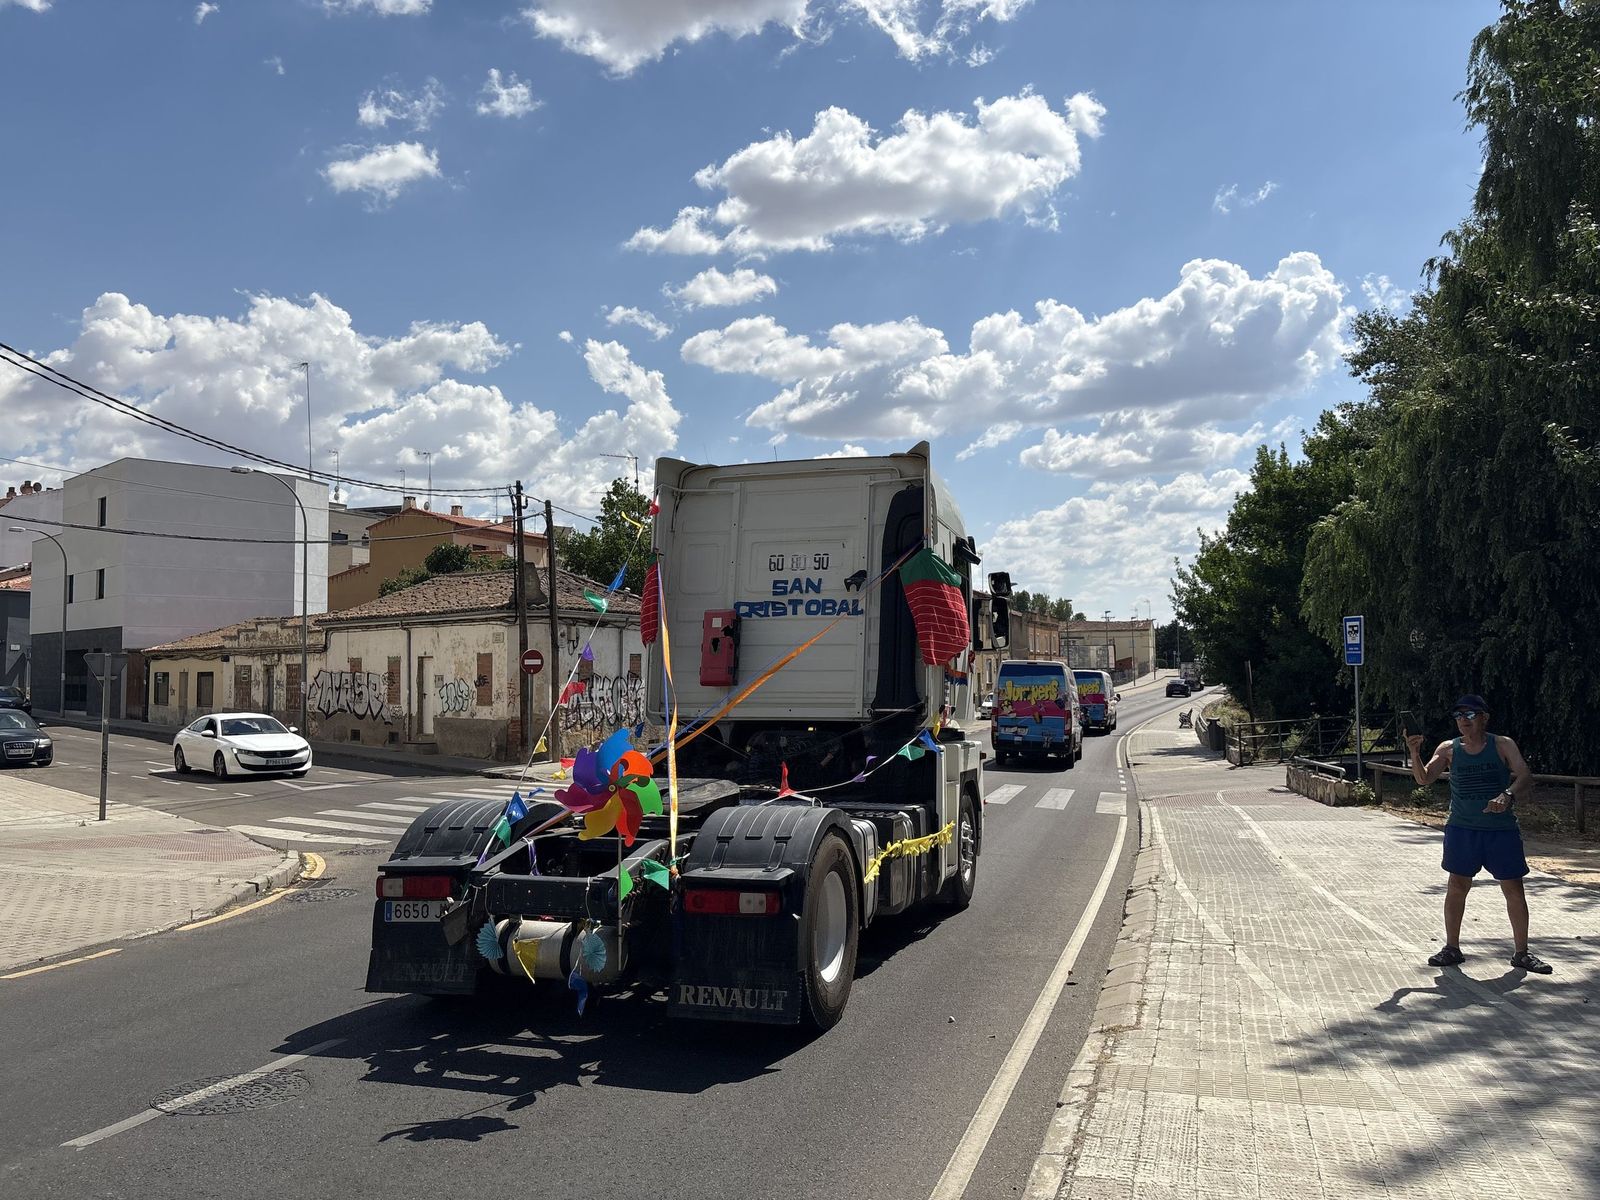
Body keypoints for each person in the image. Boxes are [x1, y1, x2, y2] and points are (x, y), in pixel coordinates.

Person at [1406, 694, 1552, 973]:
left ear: (1484, 717)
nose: (1464, 721)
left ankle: (1521, 953)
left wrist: (1507, 795)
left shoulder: (1502, 744)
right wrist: (1414, 753)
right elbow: (1424, 778)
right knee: (1457, 887)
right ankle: (1452, 948)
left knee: (1513, 889)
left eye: (1470, 715)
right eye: (1459, 716)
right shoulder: (1448, 748)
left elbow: (1524, 775)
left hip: (1501, 830)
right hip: (1462, 829)